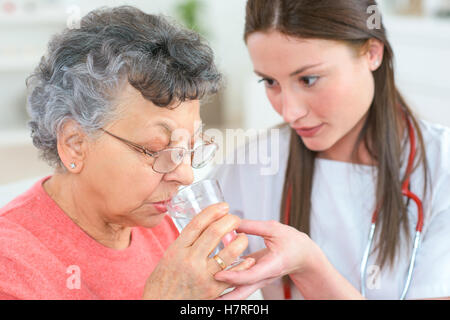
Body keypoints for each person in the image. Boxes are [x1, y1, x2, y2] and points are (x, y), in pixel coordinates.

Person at [0, 6, 254, 300]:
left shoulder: (168, 225)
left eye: (190, 148)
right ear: (74, 143)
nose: (185, 175)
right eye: (157, 149)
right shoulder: (11, 265)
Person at [210, 0, 450, 300]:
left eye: (308, 79)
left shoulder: (442, 164)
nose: (289, 112)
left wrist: (311, 268)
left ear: (372, 53)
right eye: (270, 82)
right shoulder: (251, 164)